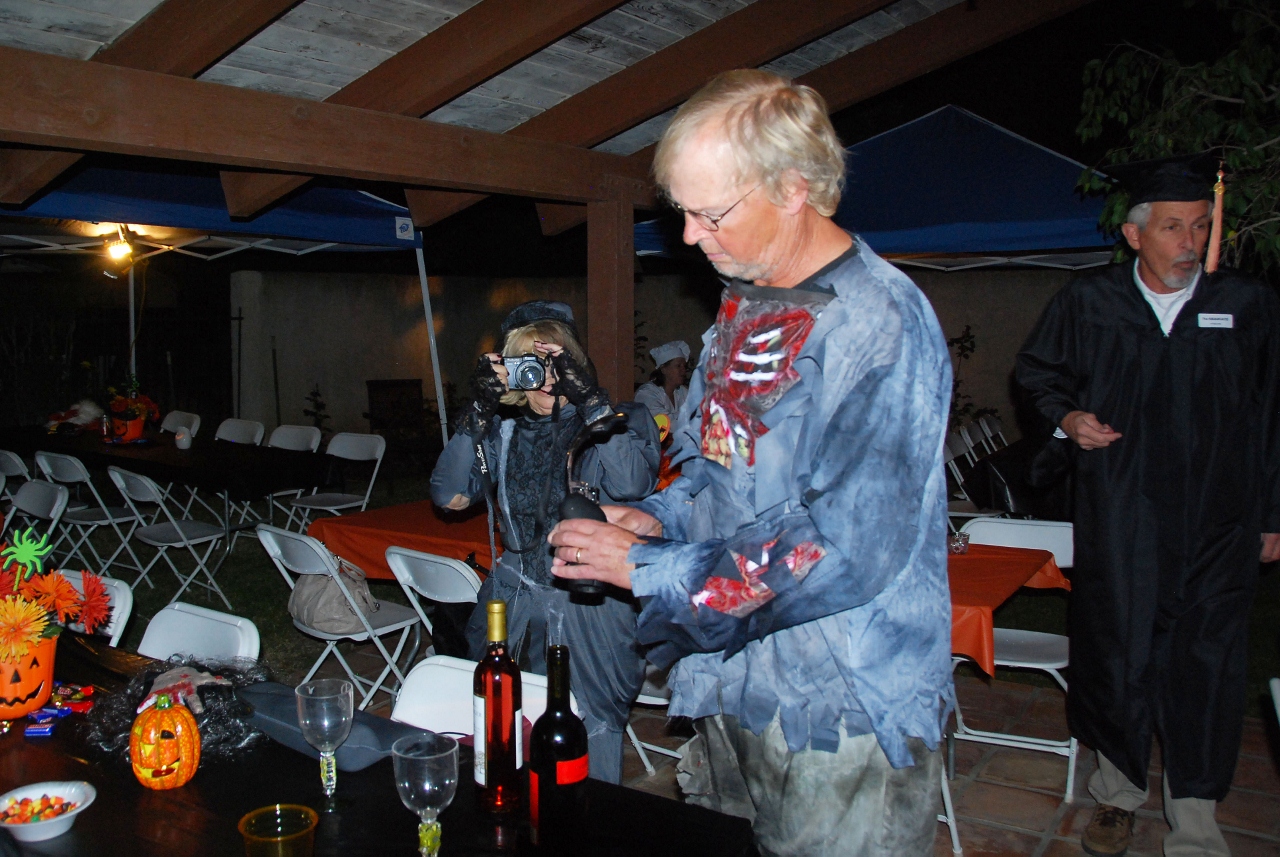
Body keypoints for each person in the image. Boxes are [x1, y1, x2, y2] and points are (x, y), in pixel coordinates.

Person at [547, 70, 954, 856]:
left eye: (710, 212)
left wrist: (655, 571)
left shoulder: (882, 324)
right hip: (736, 673)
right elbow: (713, 466)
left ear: (793, 188)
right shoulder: (746, 306)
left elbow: (842, 546)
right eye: (683, 213)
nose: (691, 237)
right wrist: (653, 518)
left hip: (844, 701)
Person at [1016, 156, 1280, 857]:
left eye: (1199, 225)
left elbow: (1274, 412)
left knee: (1207, 665)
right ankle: (1117, 795)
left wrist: (1273, 514)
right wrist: (1067, 419)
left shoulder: (1246, 304)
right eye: (1172, 227)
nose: (1189, 241)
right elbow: (1038, 375)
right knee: (1116, 654)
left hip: (1219, 524)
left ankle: (1196, 818)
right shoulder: (1089, 303)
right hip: (1122, 515)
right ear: (1135, 235)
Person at [430, 300, 661, 783]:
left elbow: (633, 483)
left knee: (588, 726)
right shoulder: (500, 427)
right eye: (529, 361)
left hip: (588, 601)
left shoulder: (619, 418)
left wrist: (591, 400)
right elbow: (449, 497)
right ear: (510, 370)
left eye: (556, 359)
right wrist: (477, 412)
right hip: (513, 591)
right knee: (498, 714)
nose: (545, 374)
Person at [634, 340, 690, 429]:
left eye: (684, 366)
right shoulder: (646, 394)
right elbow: (665, 423)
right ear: (664, 369)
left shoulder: (683, 392)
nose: (683, 370)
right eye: (678, 366)